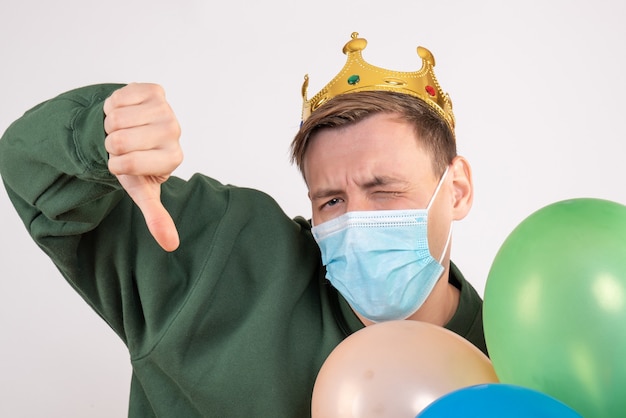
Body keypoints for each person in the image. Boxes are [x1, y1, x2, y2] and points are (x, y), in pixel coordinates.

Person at [0, 32, 486, 417]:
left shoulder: (514, 355)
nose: (357, 222)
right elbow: (29, 169)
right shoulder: (225, 260)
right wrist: (104, 137)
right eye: (331, 200)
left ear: (457, 189)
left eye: (385, 190)